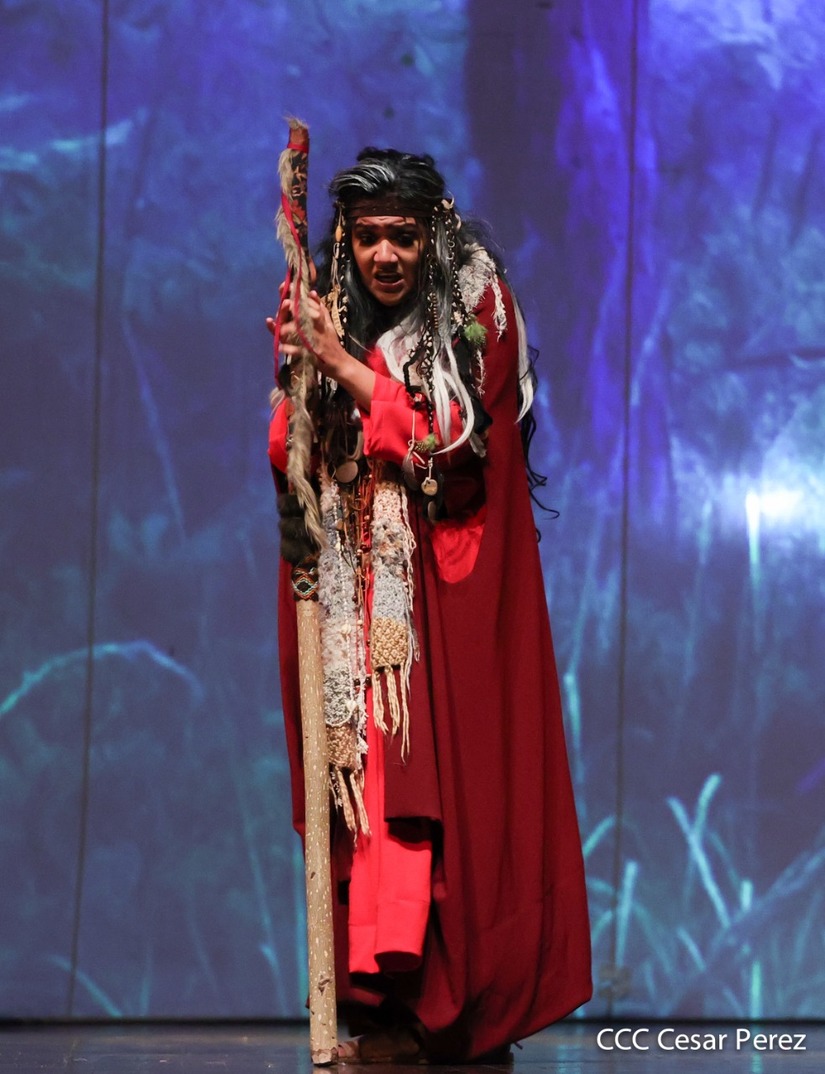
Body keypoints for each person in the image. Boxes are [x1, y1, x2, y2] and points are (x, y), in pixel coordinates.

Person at [268, 148, 591, 1063]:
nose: (385, 257)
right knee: (360, 797)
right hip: (354, 591)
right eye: (368, 238)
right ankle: (385, 1010)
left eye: (402, 238)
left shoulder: (477, 308)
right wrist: (301, 381)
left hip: (443, 600)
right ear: (345, 241)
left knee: (448, 795)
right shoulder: (328, 308)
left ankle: (454, 1012)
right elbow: (292, 445)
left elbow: (448, 445)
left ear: (431, 237)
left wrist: (339, 362)